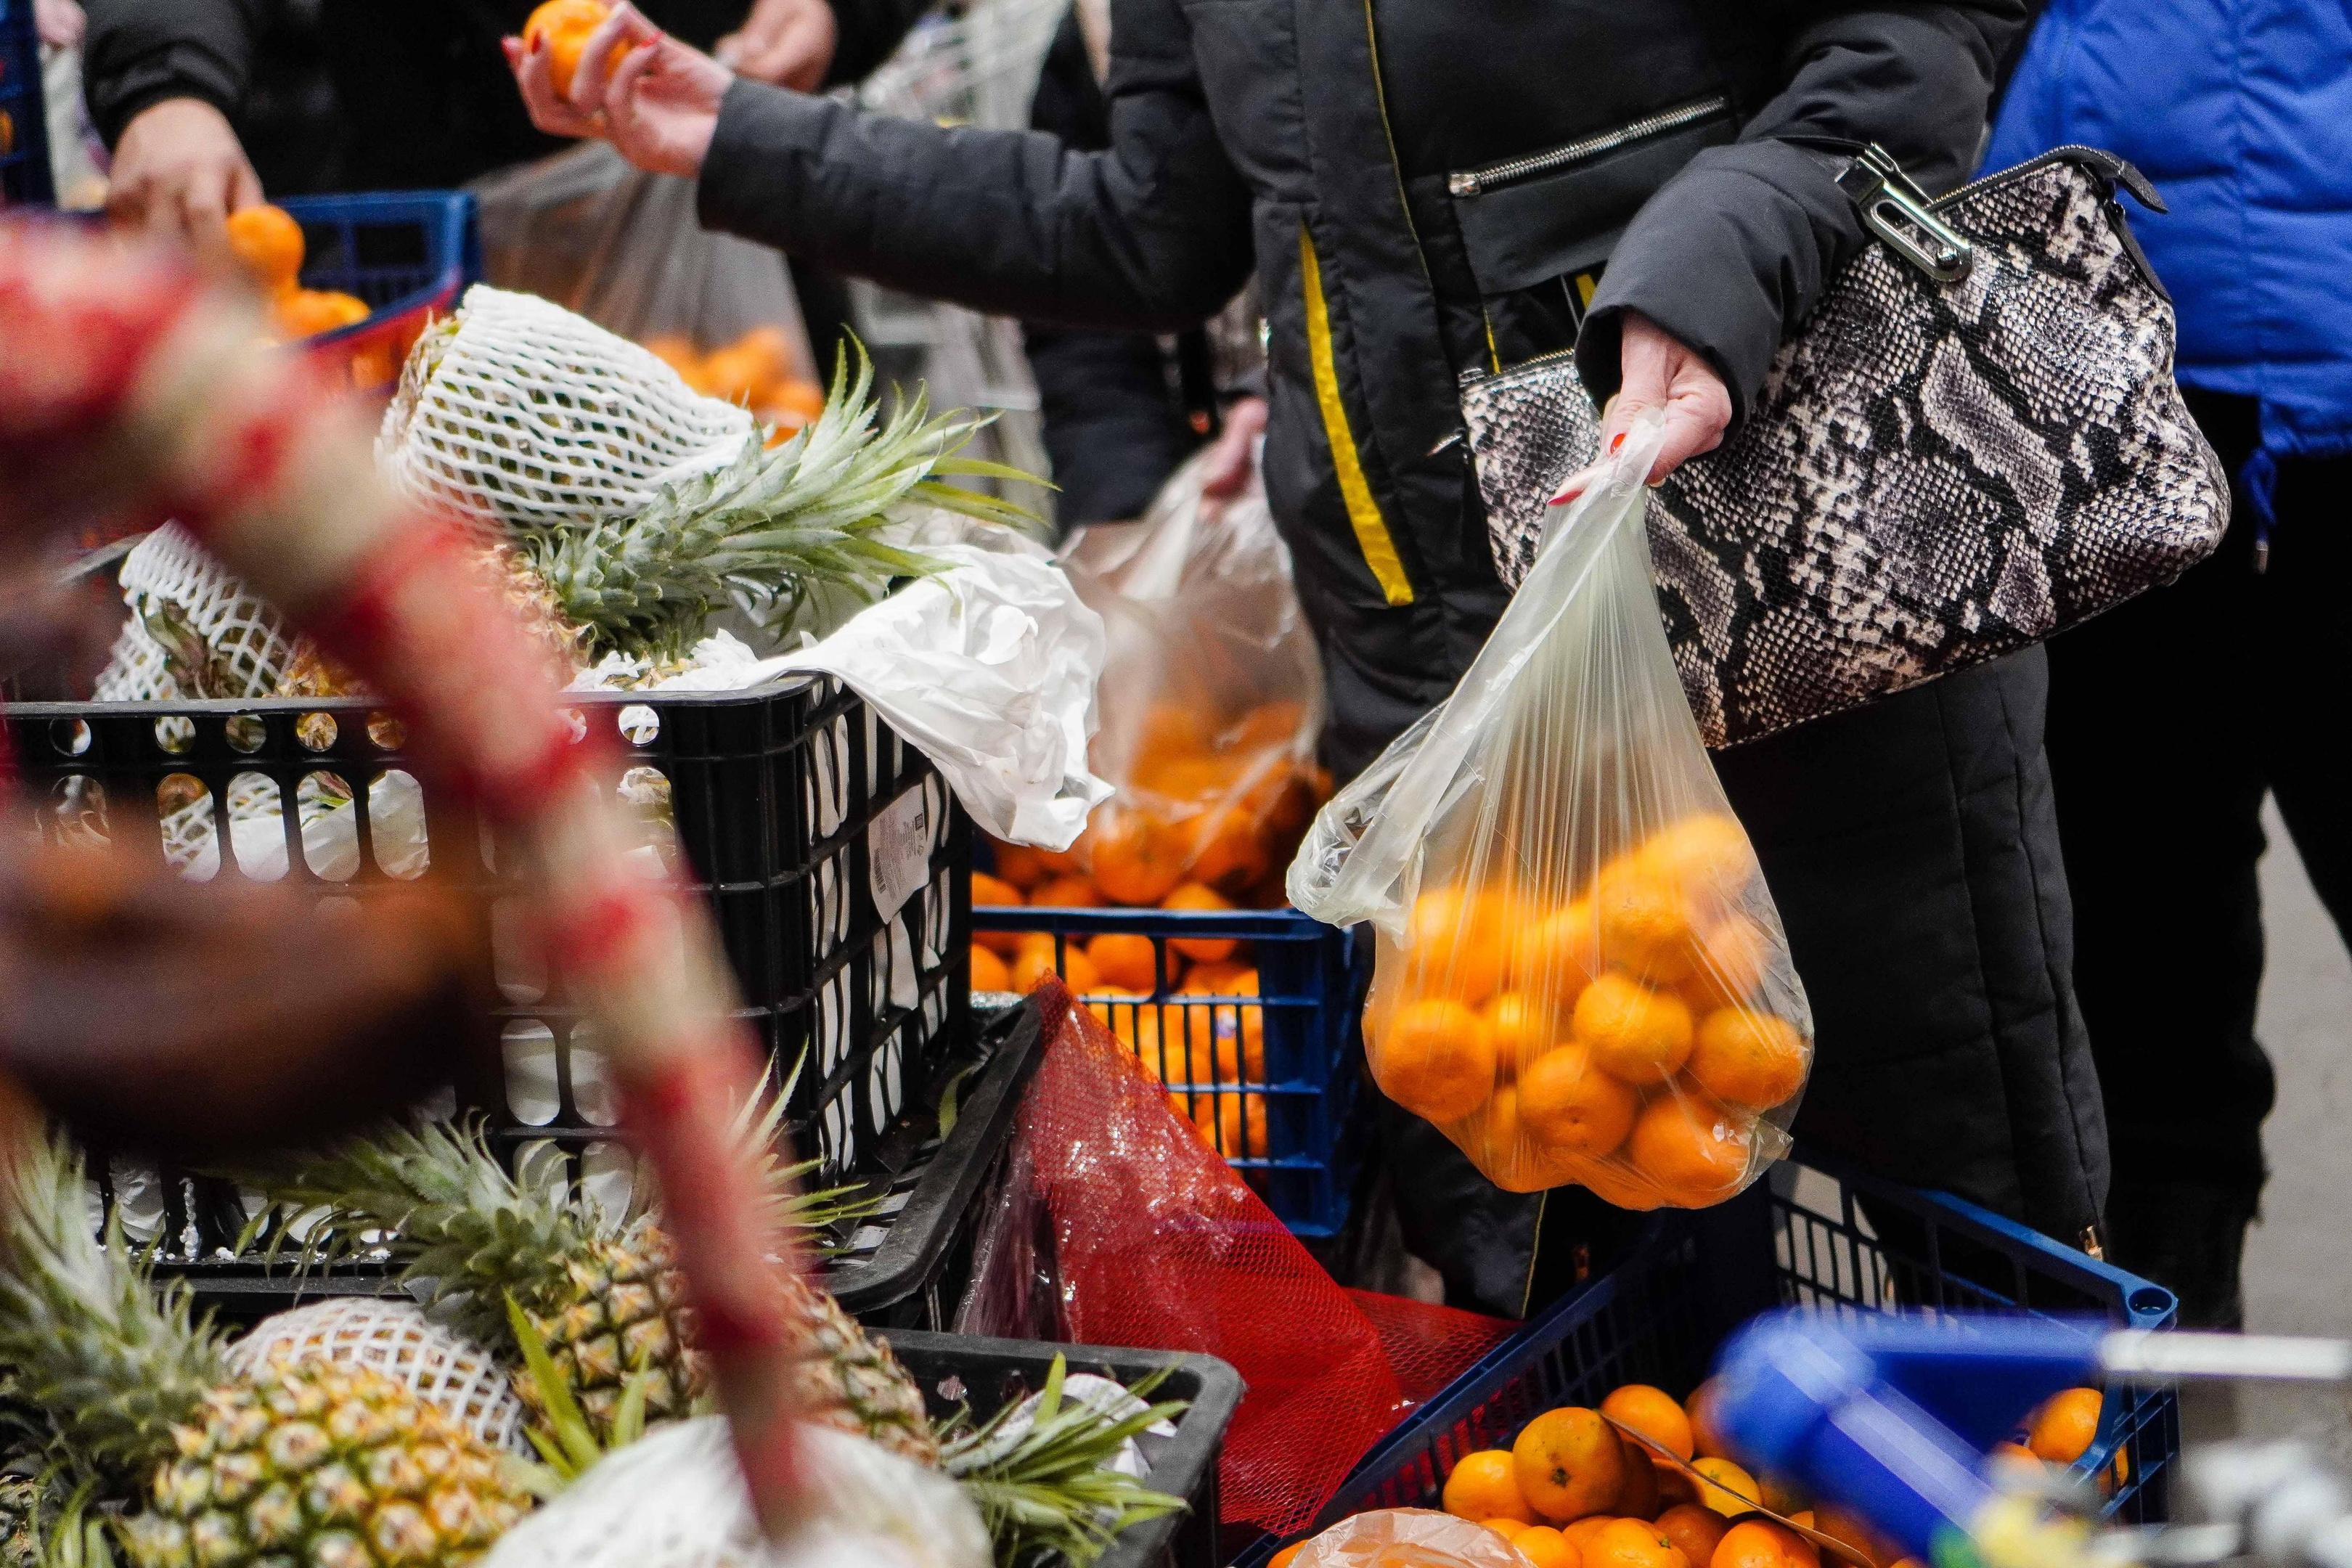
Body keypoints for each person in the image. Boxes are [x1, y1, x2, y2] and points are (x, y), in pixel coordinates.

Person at [511, 0, 2108, 1312]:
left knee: (1954, 1299)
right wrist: (739, 136)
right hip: (1444, 718)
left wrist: (1706, 269)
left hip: (1800, 636)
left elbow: (1912, 42)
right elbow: (1145, 221)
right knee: (1570, 1344)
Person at [1984, 4, 2352, 1330]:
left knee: (2146, 973)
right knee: (2142, 967)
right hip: (2105, 385)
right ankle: (2176, 1392)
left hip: (2268, 375)